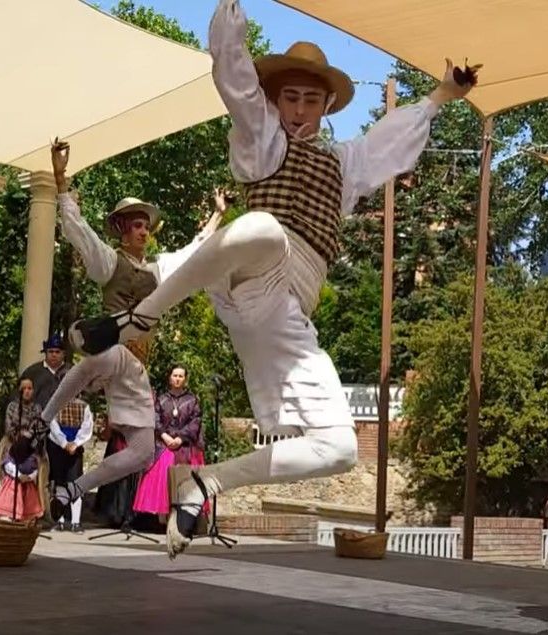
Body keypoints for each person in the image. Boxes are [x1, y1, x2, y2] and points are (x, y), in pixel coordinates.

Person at [69, 0, 475, 558]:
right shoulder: (265, 140)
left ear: (327, 104)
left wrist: (440, 97)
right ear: (275, 99)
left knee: (338, 448)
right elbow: (233, 78)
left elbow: (390, 142)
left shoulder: (345, 162)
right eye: (290, 97)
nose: (300, 109)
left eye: (312, 99)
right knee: (260, 226)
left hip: (287, 310)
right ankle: (141, 315)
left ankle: (205, 481)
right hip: (252, 269)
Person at [41, 141, 224, 525]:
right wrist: (61, 183)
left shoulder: (158, 270)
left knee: (142, 452)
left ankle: (72, 490)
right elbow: (79, 232)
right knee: (104, 355)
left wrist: (217, 216)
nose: (143, 231)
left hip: (137, 367)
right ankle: (44, 417)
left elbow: (195, 251)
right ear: (123, 230)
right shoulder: (110, 262)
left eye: (146, 225)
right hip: (113, 350)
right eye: (137, 225)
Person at [133, 366, 206, 518]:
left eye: (181, 376)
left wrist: (180, 438)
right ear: (170, 377)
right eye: (175, 375)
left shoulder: (192, 400)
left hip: (184, 445)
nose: (177, 379)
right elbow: (155, 418)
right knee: (161, 473)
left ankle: (182, 516)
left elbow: (195, 421)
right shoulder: (161, 399)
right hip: (163, 444)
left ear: (185, 379)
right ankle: (160, 518)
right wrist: (165, 436)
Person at [0, 378, 49, 522]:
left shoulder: (37, 408)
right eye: (24, 388)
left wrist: (31, 440)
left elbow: (41, 428)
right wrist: (20, 438)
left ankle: (30, 513)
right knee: (8, 475)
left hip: (32, 446)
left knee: (35, 479)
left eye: (30, 388)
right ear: (19, 390)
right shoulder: (13, 406)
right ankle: (5, 510)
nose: (27, 391)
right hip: (13, 443)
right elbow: (9, 427)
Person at [46, 397, 94, 532]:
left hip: (75, 449)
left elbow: (87, 427)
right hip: (57, 447)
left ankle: (76, 522)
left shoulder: (84, 406)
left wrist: (76, 443)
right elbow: (53, 425)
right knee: (58, 482)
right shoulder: (55, 403)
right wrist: (64, 443)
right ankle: (59, 520)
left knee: (76, 483)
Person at [19, 335, 71, 410]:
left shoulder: (72, 372)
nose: (54, 355)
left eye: (57, 352)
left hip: (66, 417)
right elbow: (19, 396)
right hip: (37, 418)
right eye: (51, 351)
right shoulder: (32, 372)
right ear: (45, 353)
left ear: (63, 354)